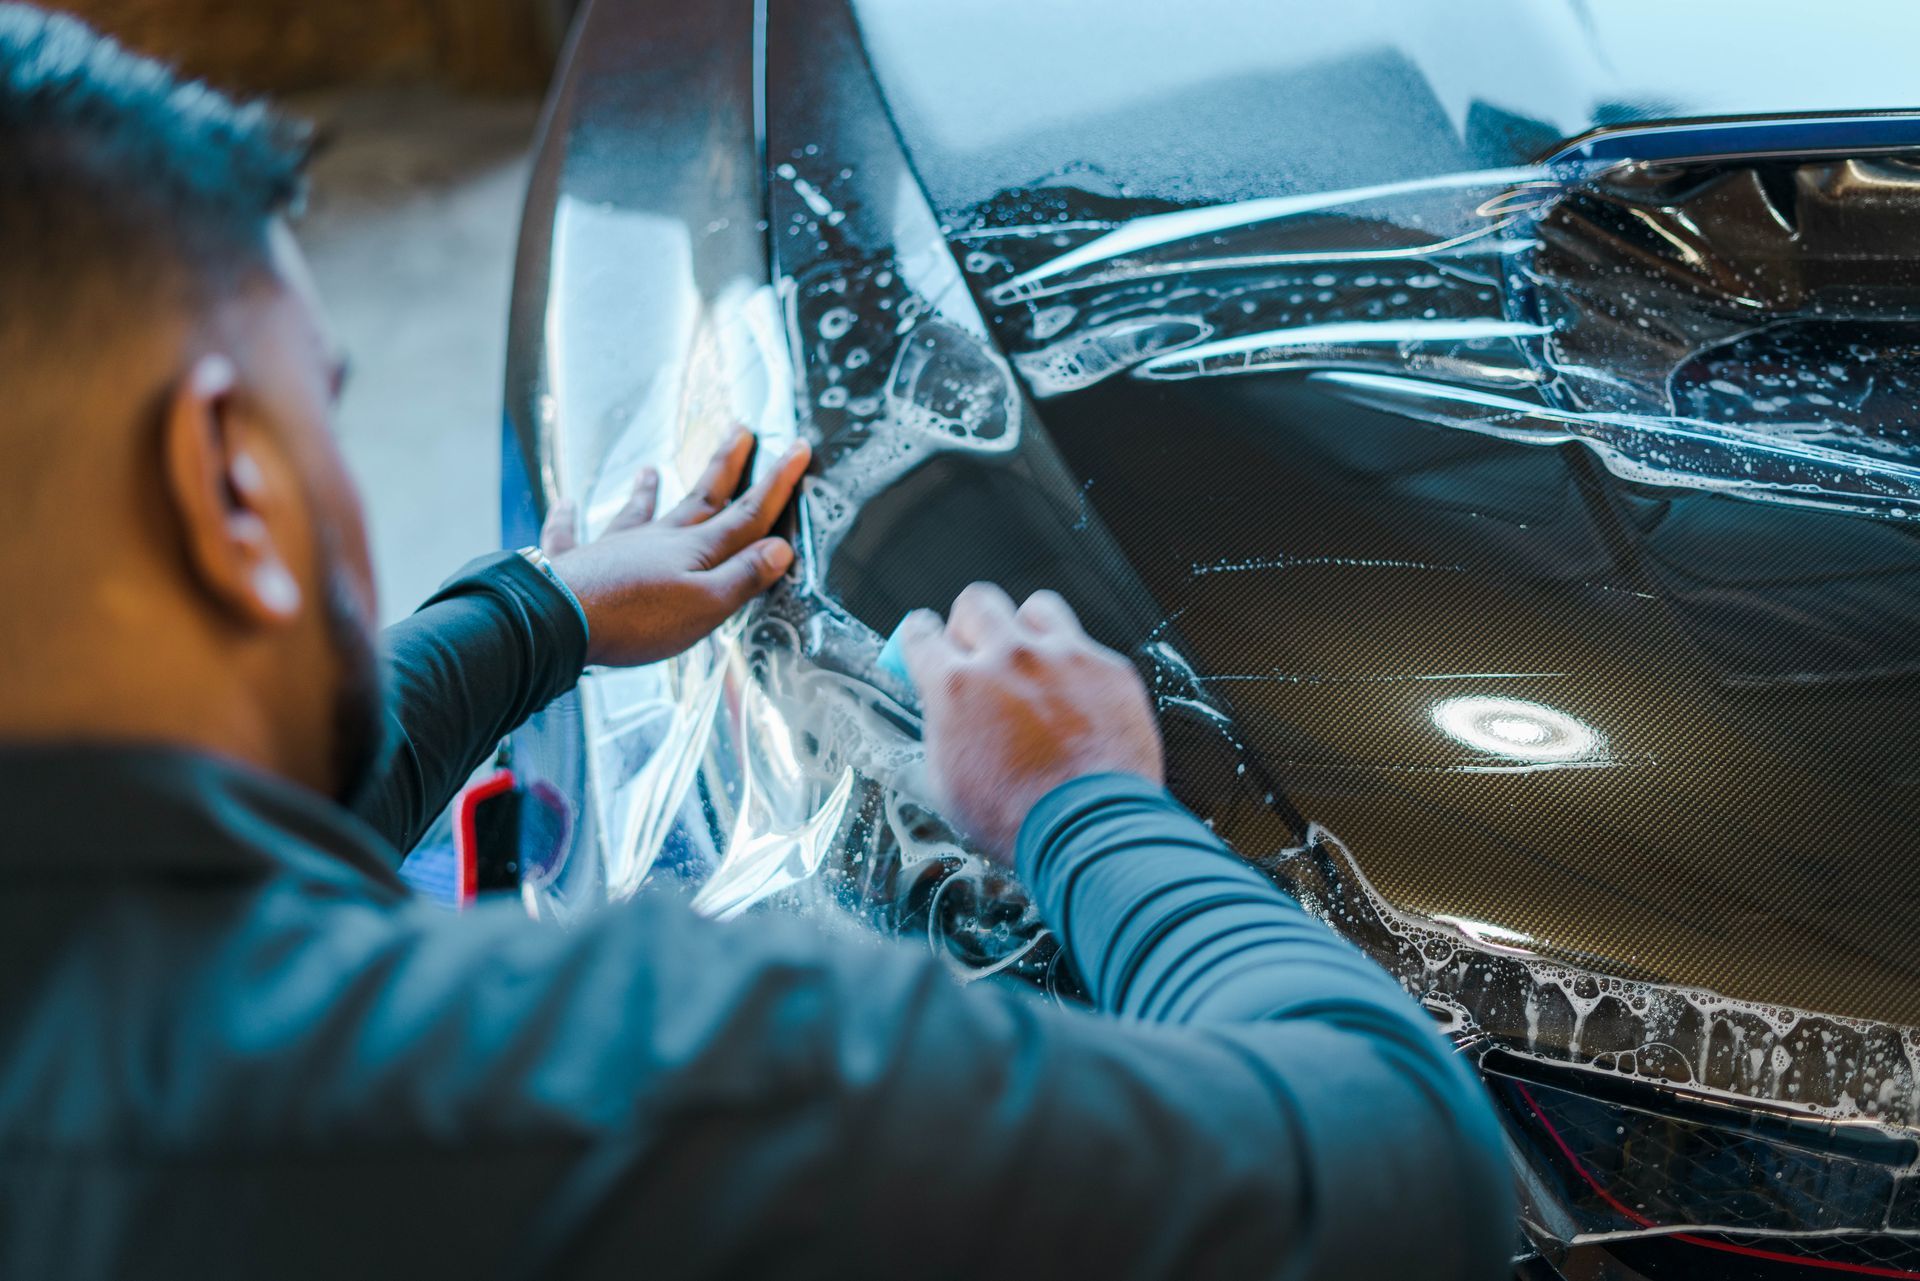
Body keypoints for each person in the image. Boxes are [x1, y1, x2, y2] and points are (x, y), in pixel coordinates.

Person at [0, 7, 1514, 1278]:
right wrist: (1086, 806)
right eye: (316, 409)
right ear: (230, 485)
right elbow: (1396, 1166)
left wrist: (535, 611)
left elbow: (196, 829)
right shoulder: (580, 1094)